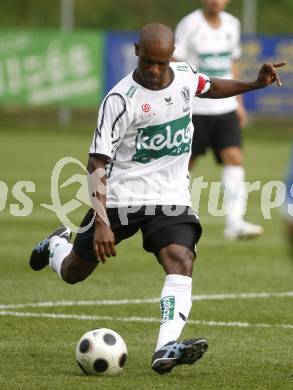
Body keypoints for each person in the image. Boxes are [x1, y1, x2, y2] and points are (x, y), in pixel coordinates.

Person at [29, 23, 285, 374]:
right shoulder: (119, 100)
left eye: (160, 63)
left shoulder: (183, 76)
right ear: (137, 51)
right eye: (148, 61)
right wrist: (102, 222)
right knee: (75, 272)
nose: (153, 70)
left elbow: (209, 87)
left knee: (181, 258)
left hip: (170, 197)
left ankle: (165, 348)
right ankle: (55, 247)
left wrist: (254, 85)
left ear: (171, 56)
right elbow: (96, 164)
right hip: (120, 198)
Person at [174, 0, 263, 240]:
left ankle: (235, 223)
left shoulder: (233, 24)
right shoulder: (189, 24)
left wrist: (239, 103)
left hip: (225, 107)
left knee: (234, 158)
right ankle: (173, 216)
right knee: (186, 163)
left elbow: (232, 63)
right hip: (196, 108)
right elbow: (176, 60)